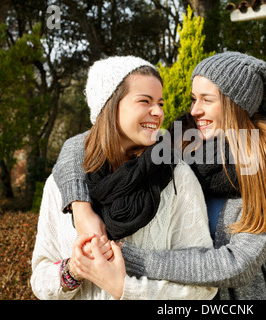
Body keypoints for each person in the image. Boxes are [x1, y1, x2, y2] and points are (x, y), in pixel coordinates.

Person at [52, 52, 266, 299]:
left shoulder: (265, 161)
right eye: (193, 99)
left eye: (206, 100)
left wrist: (123, 256)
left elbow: (237, 264)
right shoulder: (188, 139)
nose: (195, 110)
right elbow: (83, 143)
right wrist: (80, 206)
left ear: (235, 104)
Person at [30, 56, 217, 300]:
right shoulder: (62, 185)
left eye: (160, 103)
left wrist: (125, 289)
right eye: (145, 101)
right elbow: (40, 277)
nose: (158, 112)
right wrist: (73, 270)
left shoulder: (176, 177)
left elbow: (204, 286)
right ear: (109, 105)